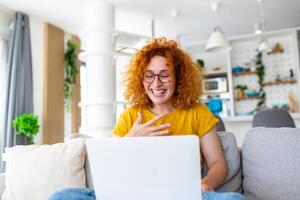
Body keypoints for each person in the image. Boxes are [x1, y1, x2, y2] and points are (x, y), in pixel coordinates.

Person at [49, 37, 246, 200]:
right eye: (149, 75)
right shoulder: (130, 116)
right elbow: (112, 170)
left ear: (178, 77)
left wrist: (205, 184)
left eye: (164, 75)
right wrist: (129, 141)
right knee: (62, 196)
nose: (156, 83)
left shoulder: (198, 112)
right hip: (132, 193)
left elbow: (218, 164)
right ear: (141, 79)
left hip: (184, 194)